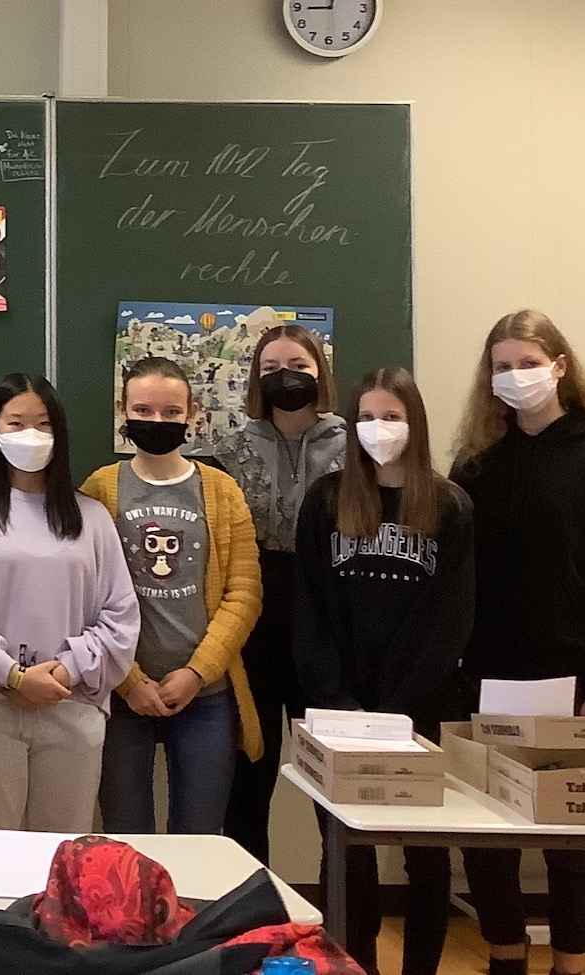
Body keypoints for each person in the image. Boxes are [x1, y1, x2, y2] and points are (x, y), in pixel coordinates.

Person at [449, 310, 585, 975]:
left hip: (572, 678)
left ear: (560, 366)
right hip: (487, 674)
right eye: (501, 367)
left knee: (570, 836)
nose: (515, 376)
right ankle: (505, 953)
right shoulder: (475, 464)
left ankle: (569, 963)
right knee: (485, 829)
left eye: (528, 363)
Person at [293, 366, 471, 975]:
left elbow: (450, 618)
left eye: (391, 416)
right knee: (345, 850)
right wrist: (340, 700)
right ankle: (355, 964)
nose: (378, 428)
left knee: (427, 853)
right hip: (339, 709)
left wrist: (399, 708)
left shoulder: (450, 506)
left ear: (414, 423)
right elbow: (311, 608)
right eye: (366, 417)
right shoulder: (326, 501)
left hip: (420, 710)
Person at [0, 374, 138, 833]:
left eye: (43, 424)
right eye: (16, 423)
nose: (30, 435)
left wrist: (64, 673)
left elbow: (120, 618)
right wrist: (13, 675)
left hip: (72, 705)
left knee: (63, 851)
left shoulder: (92, 518)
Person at [79, 356, 261, 836]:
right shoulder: (99, 489)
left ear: (191, 414)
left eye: (171, 412)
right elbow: (83, 596)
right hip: (121, 694)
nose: (157, 421)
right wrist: (129, 681)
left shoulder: (222, 491)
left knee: (200, 836)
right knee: (125, 833)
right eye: (143, 410)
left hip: (205, 694)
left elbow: (244, 593)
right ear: (123, 411)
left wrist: (197, 673)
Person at [212, 324, 345, 864]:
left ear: (320, 373)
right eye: (270, 369)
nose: (285, 378)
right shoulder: (225, 453)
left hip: (329, 633)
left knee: (333, 789)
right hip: (252, 632)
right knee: (248, 784)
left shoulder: (356, 448)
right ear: (254, 380)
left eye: (298, 366)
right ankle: (250, 903)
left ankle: (344, 907)